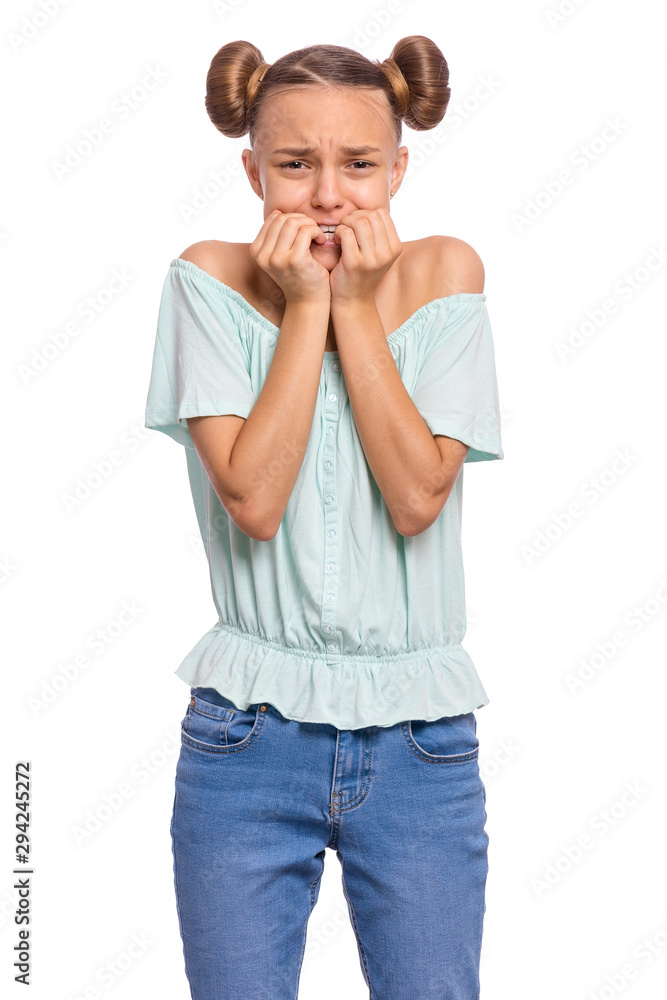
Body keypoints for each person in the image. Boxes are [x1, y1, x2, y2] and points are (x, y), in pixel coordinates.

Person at [144, 34, 504, 1000]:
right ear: (253, 168)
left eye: (359, 165)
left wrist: (354, 303)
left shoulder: (446, 273)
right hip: (245, 741)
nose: (330, 195)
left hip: (420, 742)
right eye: (296, 166)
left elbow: (418, 496)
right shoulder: (208, 278)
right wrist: (307, 306)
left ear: (398, 166)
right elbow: (254, 500)